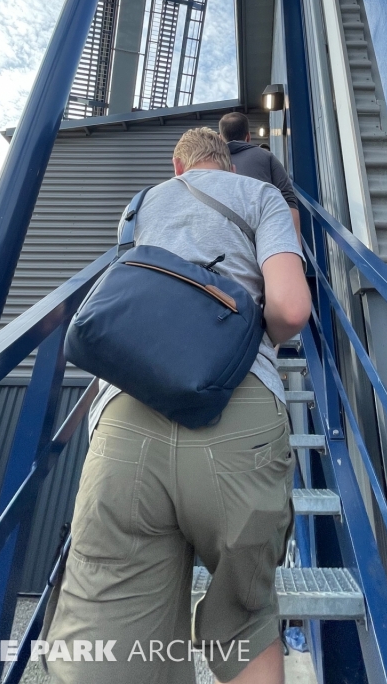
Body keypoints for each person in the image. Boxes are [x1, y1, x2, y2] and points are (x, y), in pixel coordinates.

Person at [45, 127, 311, 684]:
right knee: (245, 622)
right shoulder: (259, 195)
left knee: (110, 641)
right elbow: (290, 310)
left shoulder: (139, 206)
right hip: (239, 413)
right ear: (230, 166)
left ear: (178, 166)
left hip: (126, 415)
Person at [218, 112, 301, 244]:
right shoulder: (267, 156)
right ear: (248, 136)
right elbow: (288, 199)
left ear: (220, 138)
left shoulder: (212, 164)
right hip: (267, 236)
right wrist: (296, 245)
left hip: (227, 240)